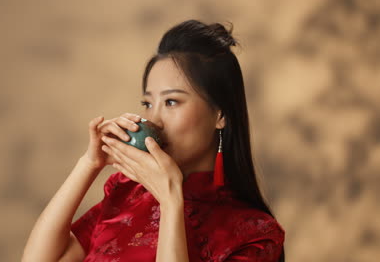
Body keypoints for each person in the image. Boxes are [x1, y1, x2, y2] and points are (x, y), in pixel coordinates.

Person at [22, 19, 285, 262]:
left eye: (171, 102)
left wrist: (171, 198)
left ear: (220, 115)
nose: (154, 120)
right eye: (147, 103)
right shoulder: (128, 192)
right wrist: (89, 163)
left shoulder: (257, 234)